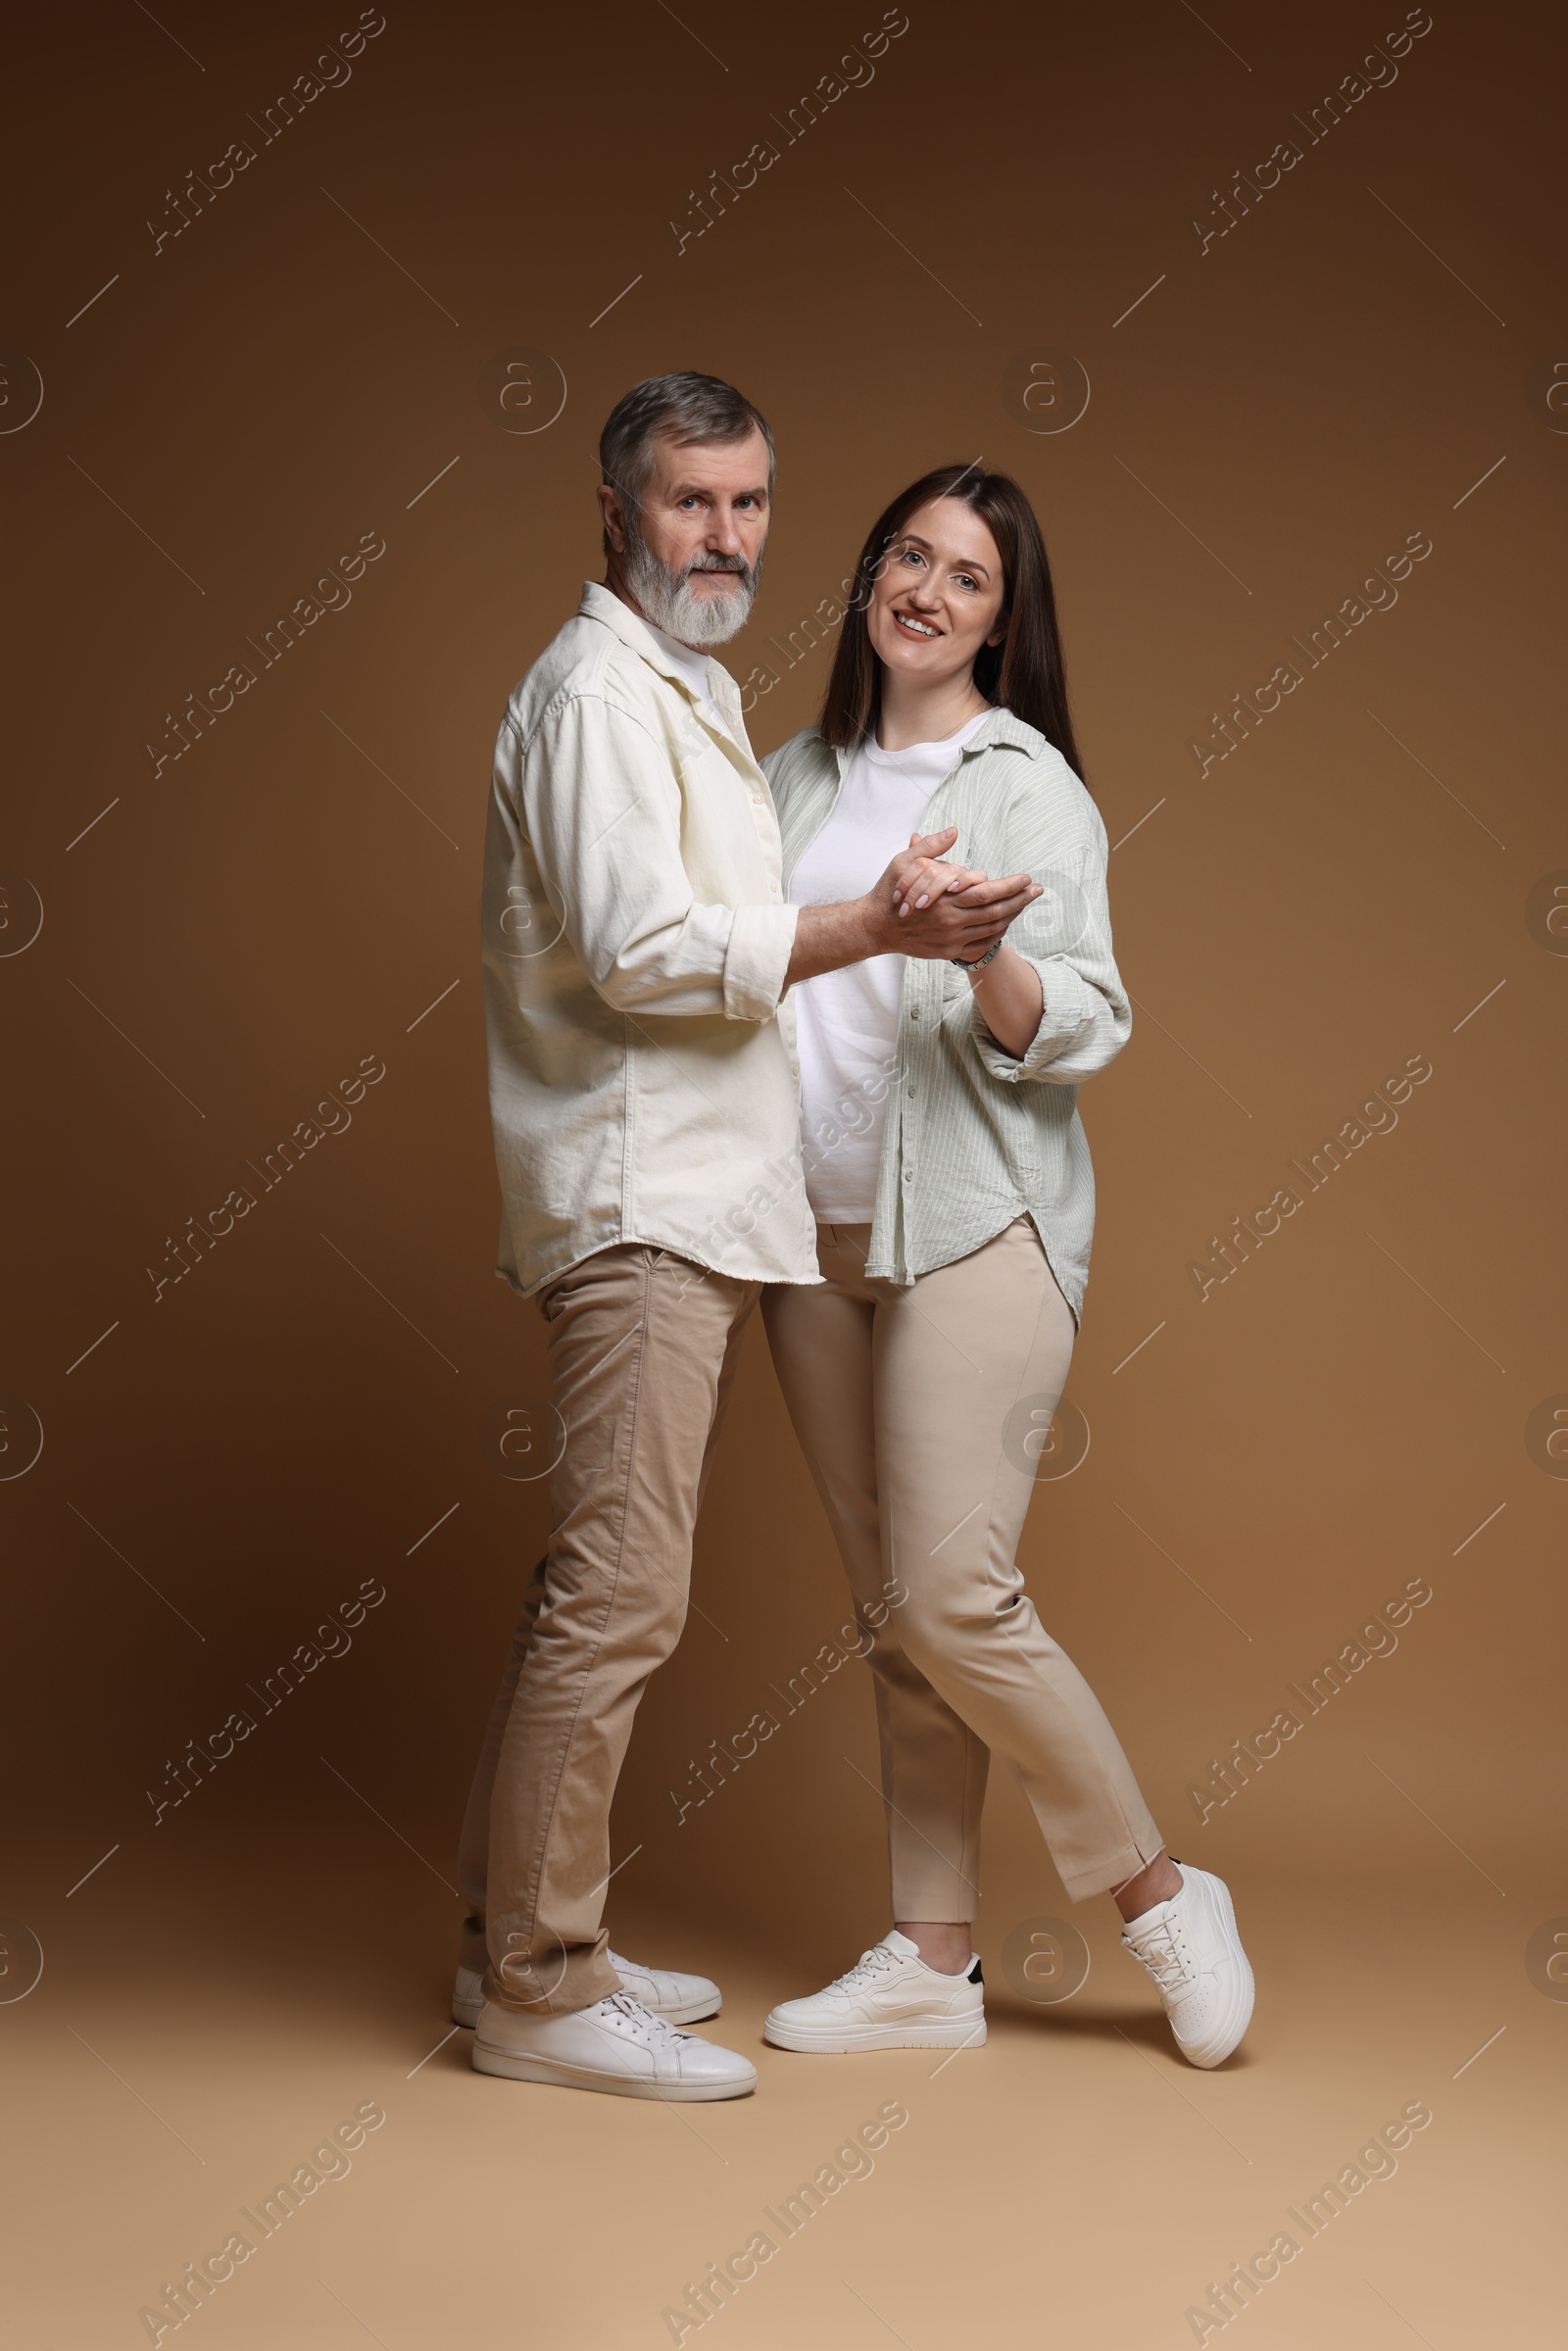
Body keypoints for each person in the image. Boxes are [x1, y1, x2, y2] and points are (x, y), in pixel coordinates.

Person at [460, 383, 1041, 2100]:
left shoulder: (687, 692)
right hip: (639, 1196)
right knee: (619, 1596)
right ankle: (539, 1994)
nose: (728, 536)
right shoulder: (590, 698)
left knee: (594, 1591)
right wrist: (876, 924)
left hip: (705, 1197)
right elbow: (644, 954)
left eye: (753, 502)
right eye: (692, 502)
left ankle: (527, 1930)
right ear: (616, 509)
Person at [758, 465, 1254, 2070]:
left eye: (967, 578)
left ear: (1001, 619)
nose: (928, 590)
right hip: (805, 1232)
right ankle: (930, 1956)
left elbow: (1091, 1020)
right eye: (909, 555)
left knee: (955, 1594)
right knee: (891, 1615)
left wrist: (989, 958)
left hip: (979, 1220)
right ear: (867, 577)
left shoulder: (1026, 782)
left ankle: (1162, 1893)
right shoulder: (781, 780)